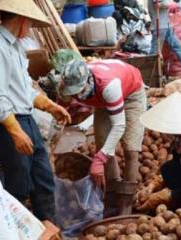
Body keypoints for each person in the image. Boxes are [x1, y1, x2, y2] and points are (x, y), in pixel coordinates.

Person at [0, 0, 71, 222]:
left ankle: (49, 231)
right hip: (6, 124)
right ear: (21, 20)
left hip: (25, 120)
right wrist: (15, 130)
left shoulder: (16, 47)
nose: (29, 29)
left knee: (43, 179)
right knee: (19, 186)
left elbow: (24, 90)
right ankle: (17, 231)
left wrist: (50, 106)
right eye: (29, 23)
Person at [58, 59, 147, 216]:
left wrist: (99, 160)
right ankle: (112, 198)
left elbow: (119, 126)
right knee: (105, 147)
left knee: (131, 150)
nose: (77, 95)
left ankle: (126, 204)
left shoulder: (108, 85)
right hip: (103, 102)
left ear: (88, 80)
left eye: (79, 90)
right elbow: (59, 111)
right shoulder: (65, 86)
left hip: (131, 94)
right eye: (73, 92)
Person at [148, 0, 181, 76]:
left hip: (166, 25)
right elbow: (158, 5)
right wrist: (171, 4)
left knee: (177, 46)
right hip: (159, 27)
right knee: (155, 53)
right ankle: (149, 75)